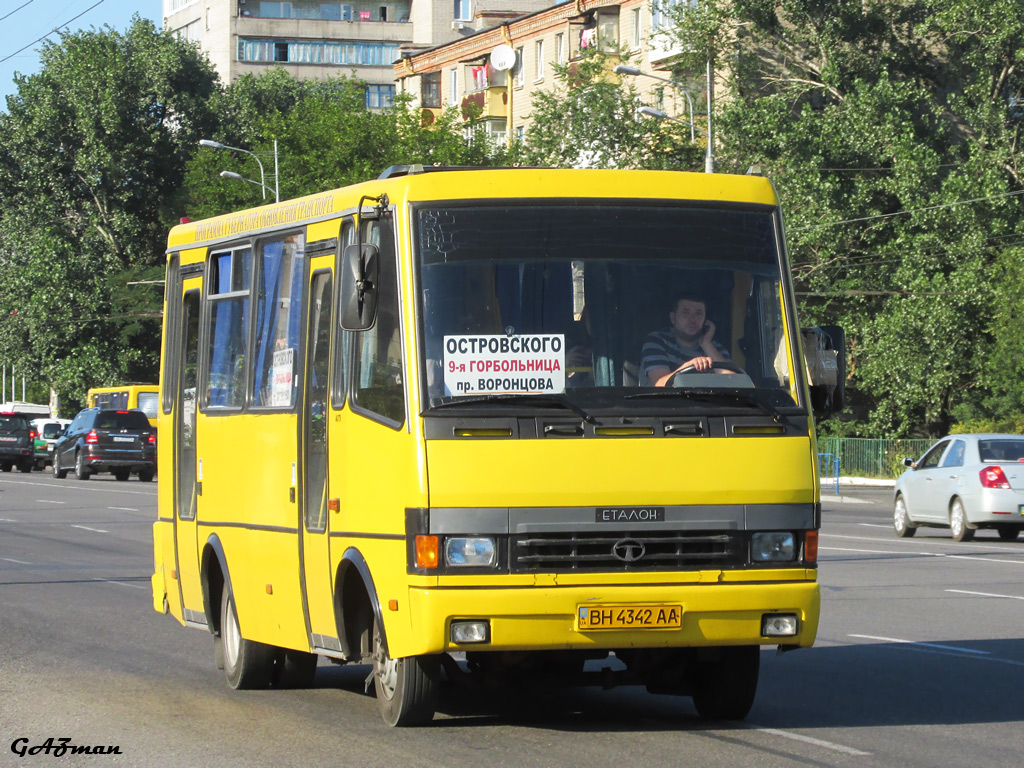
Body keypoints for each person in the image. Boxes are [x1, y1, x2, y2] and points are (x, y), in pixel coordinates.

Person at [641, 294, 729, 387]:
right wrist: (689, 367)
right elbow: (659, 384)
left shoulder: (715, 348)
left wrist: (706, 344)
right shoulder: (656, 342)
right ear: (673, 318)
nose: (693, 319)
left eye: (698, 313)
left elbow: (732, 383)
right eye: (685, 312)